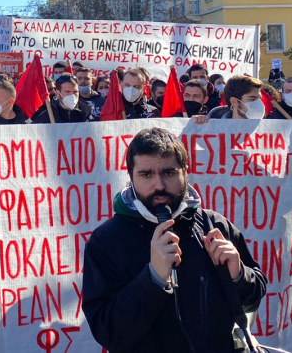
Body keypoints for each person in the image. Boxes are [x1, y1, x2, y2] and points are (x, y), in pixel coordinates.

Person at [82, 128, 267, 352]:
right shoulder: (106, 241)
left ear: (185, 172)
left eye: (168, 173)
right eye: (146, 174)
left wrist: (238, 274)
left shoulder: (215, 225)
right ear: (131, 176)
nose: (159, 185)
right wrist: (153, 280)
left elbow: (253, 298)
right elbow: (108, 331)